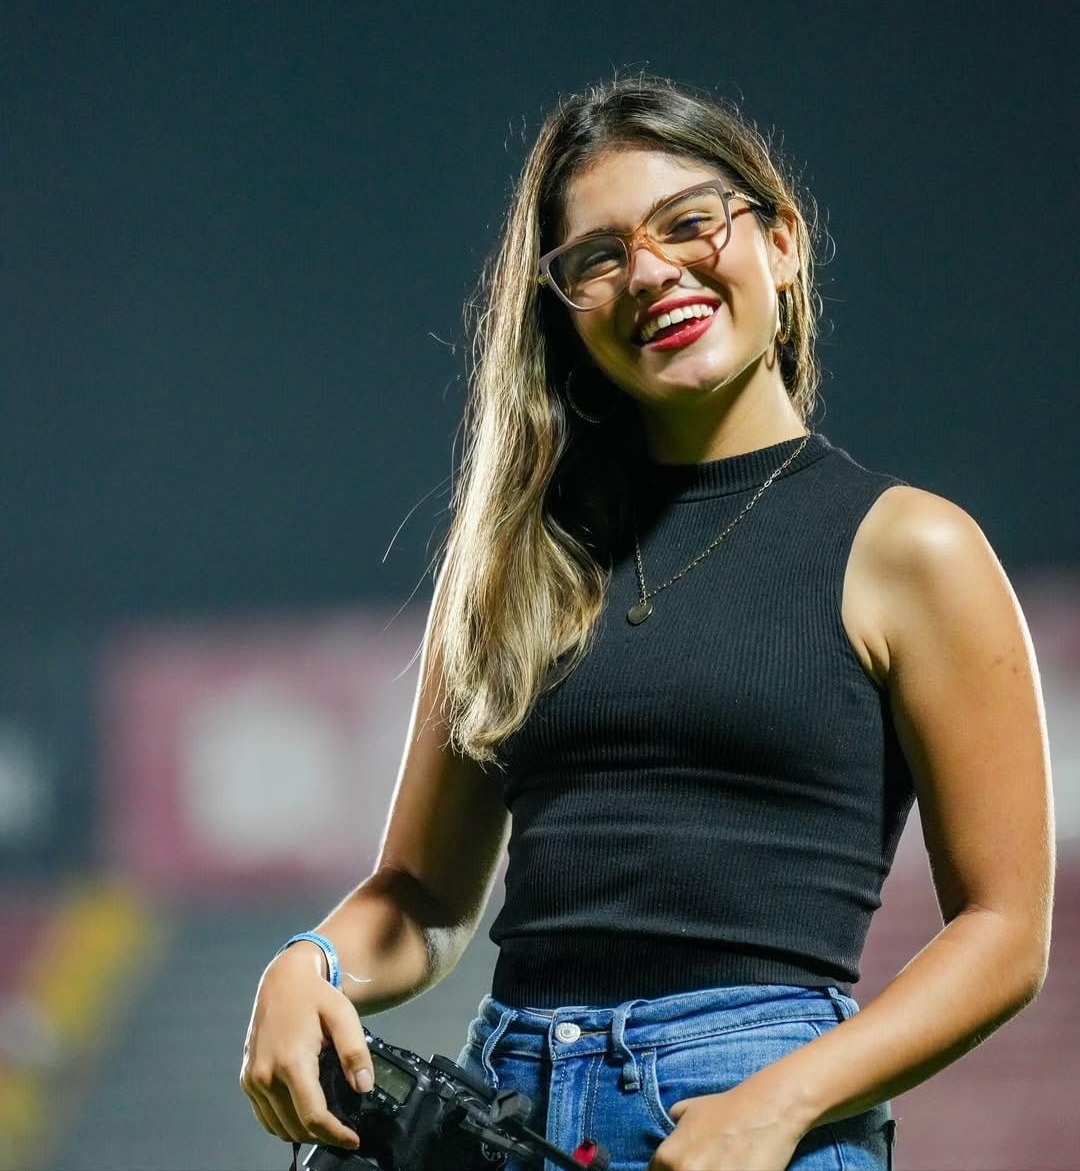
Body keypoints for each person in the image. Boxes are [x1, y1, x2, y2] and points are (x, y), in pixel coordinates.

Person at [240, 74, 1054, 1171]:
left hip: (749, 1110)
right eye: (600, 255)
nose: (654, 272)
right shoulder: (511, 563)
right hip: (507, 1103)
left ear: (782, 242)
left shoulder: (913, 546)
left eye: (689, 222)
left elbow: (1005, 930)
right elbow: (423, 892)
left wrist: (778, 1102)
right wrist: (306, 962)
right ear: (564, 309)